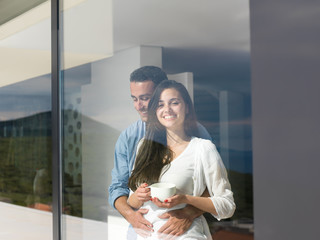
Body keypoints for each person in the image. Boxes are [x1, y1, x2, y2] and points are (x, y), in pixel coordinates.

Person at [108, 66, 212, 239]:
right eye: (134, 99)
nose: (138, 106)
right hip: (141, 232)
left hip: (182, 232)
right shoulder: (130, 137)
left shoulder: (197, 134)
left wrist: (189, 212)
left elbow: (214, 188)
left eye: (145, 98)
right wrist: (130, 215)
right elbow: (118, 187)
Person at [127, 80, 235, 239]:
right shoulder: (144, 147)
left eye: (174, 103)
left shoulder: (203, 148)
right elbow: (132, 202)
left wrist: (186, 200)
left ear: (187, 108)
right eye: (160, 104)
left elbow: (227, 206)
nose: (167, 109)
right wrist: (138, 195)